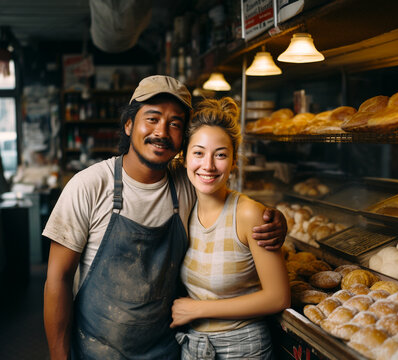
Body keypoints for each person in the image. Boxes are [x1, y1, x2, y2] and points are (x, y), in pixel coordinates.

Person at [43, 75, 287, 360]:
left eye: (175, 124)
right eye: (153, 118)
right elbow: (57, 280)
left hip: (166, 351)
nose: (162, 131)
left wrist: (273, 218)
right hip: (97, 350)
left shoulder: (185, 184)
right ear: (129, 124)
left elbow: (224, 197)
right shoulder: (90, 186)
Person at [169, 97, 290, 359]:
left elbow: (278, 297)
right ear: (184, 157)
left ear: (234, 161)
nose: (208, 165)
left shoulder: (248, 214)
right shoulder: (184, 207)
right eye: (198, 152)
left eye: (221, 154)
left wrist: (199, 310)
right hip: (193, 347)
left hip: (243, 347)